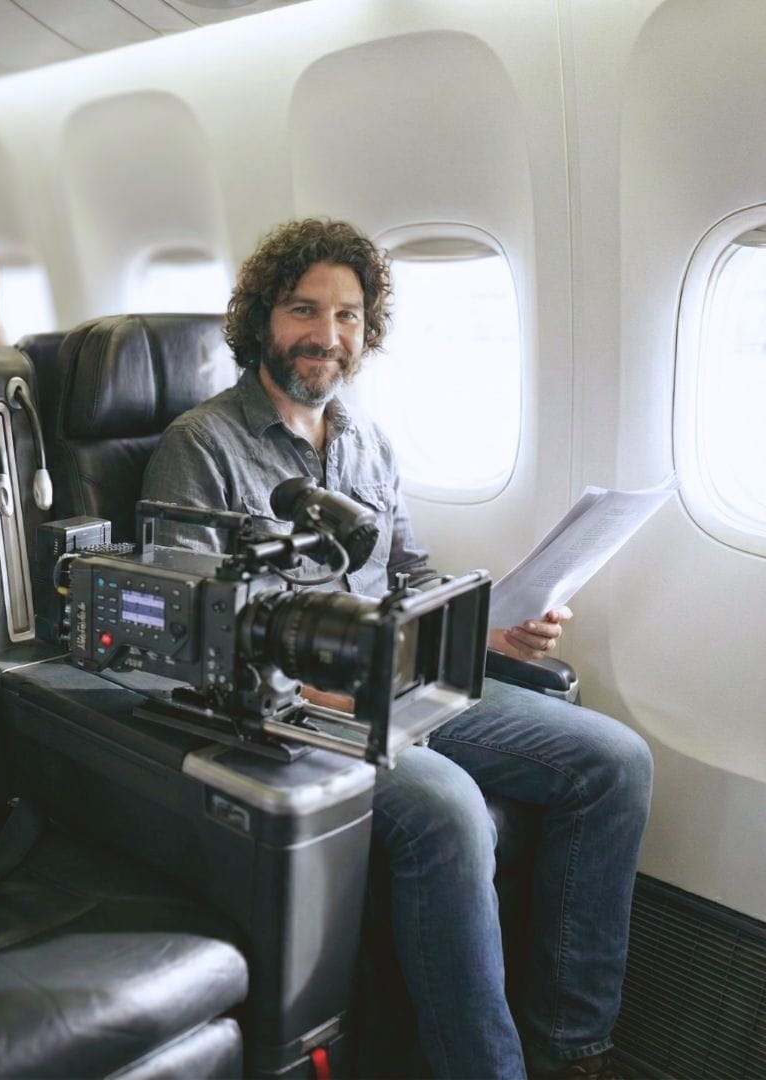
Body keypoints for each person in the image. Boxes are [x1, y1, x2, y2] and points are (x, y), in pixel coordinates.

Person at [142, 218, 653, 1080]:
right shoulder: (201, 446)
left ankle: (572, 1050)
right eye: (305, 310)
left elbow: (406, 571)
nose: (326, 335)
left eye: (347, 316)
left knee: (615, 762)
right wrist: (313, 695)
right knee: (451, 809)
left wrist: (494, 629)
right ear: (261, 320)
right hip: (295, 713)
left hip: (406, 679)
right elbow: (185, 633)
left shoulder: (363, 438)